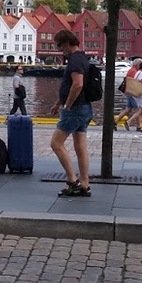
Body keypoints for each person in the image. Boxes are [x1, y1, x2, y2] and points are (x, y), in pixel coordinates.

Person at [49, 29, 92, 197]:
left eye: (60, 46)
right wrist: (57, 103)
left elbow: (77, 84)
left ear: (67, 43)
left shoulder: (75, 60)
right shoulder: (82, 58)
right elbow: (71, 86)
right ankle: (84, 184)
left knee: (56, 144)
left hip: (75, 109)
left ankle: (72, 181)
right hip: (84, 107)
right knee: (80, 147)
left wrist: (67, 105)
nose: (60, 50)